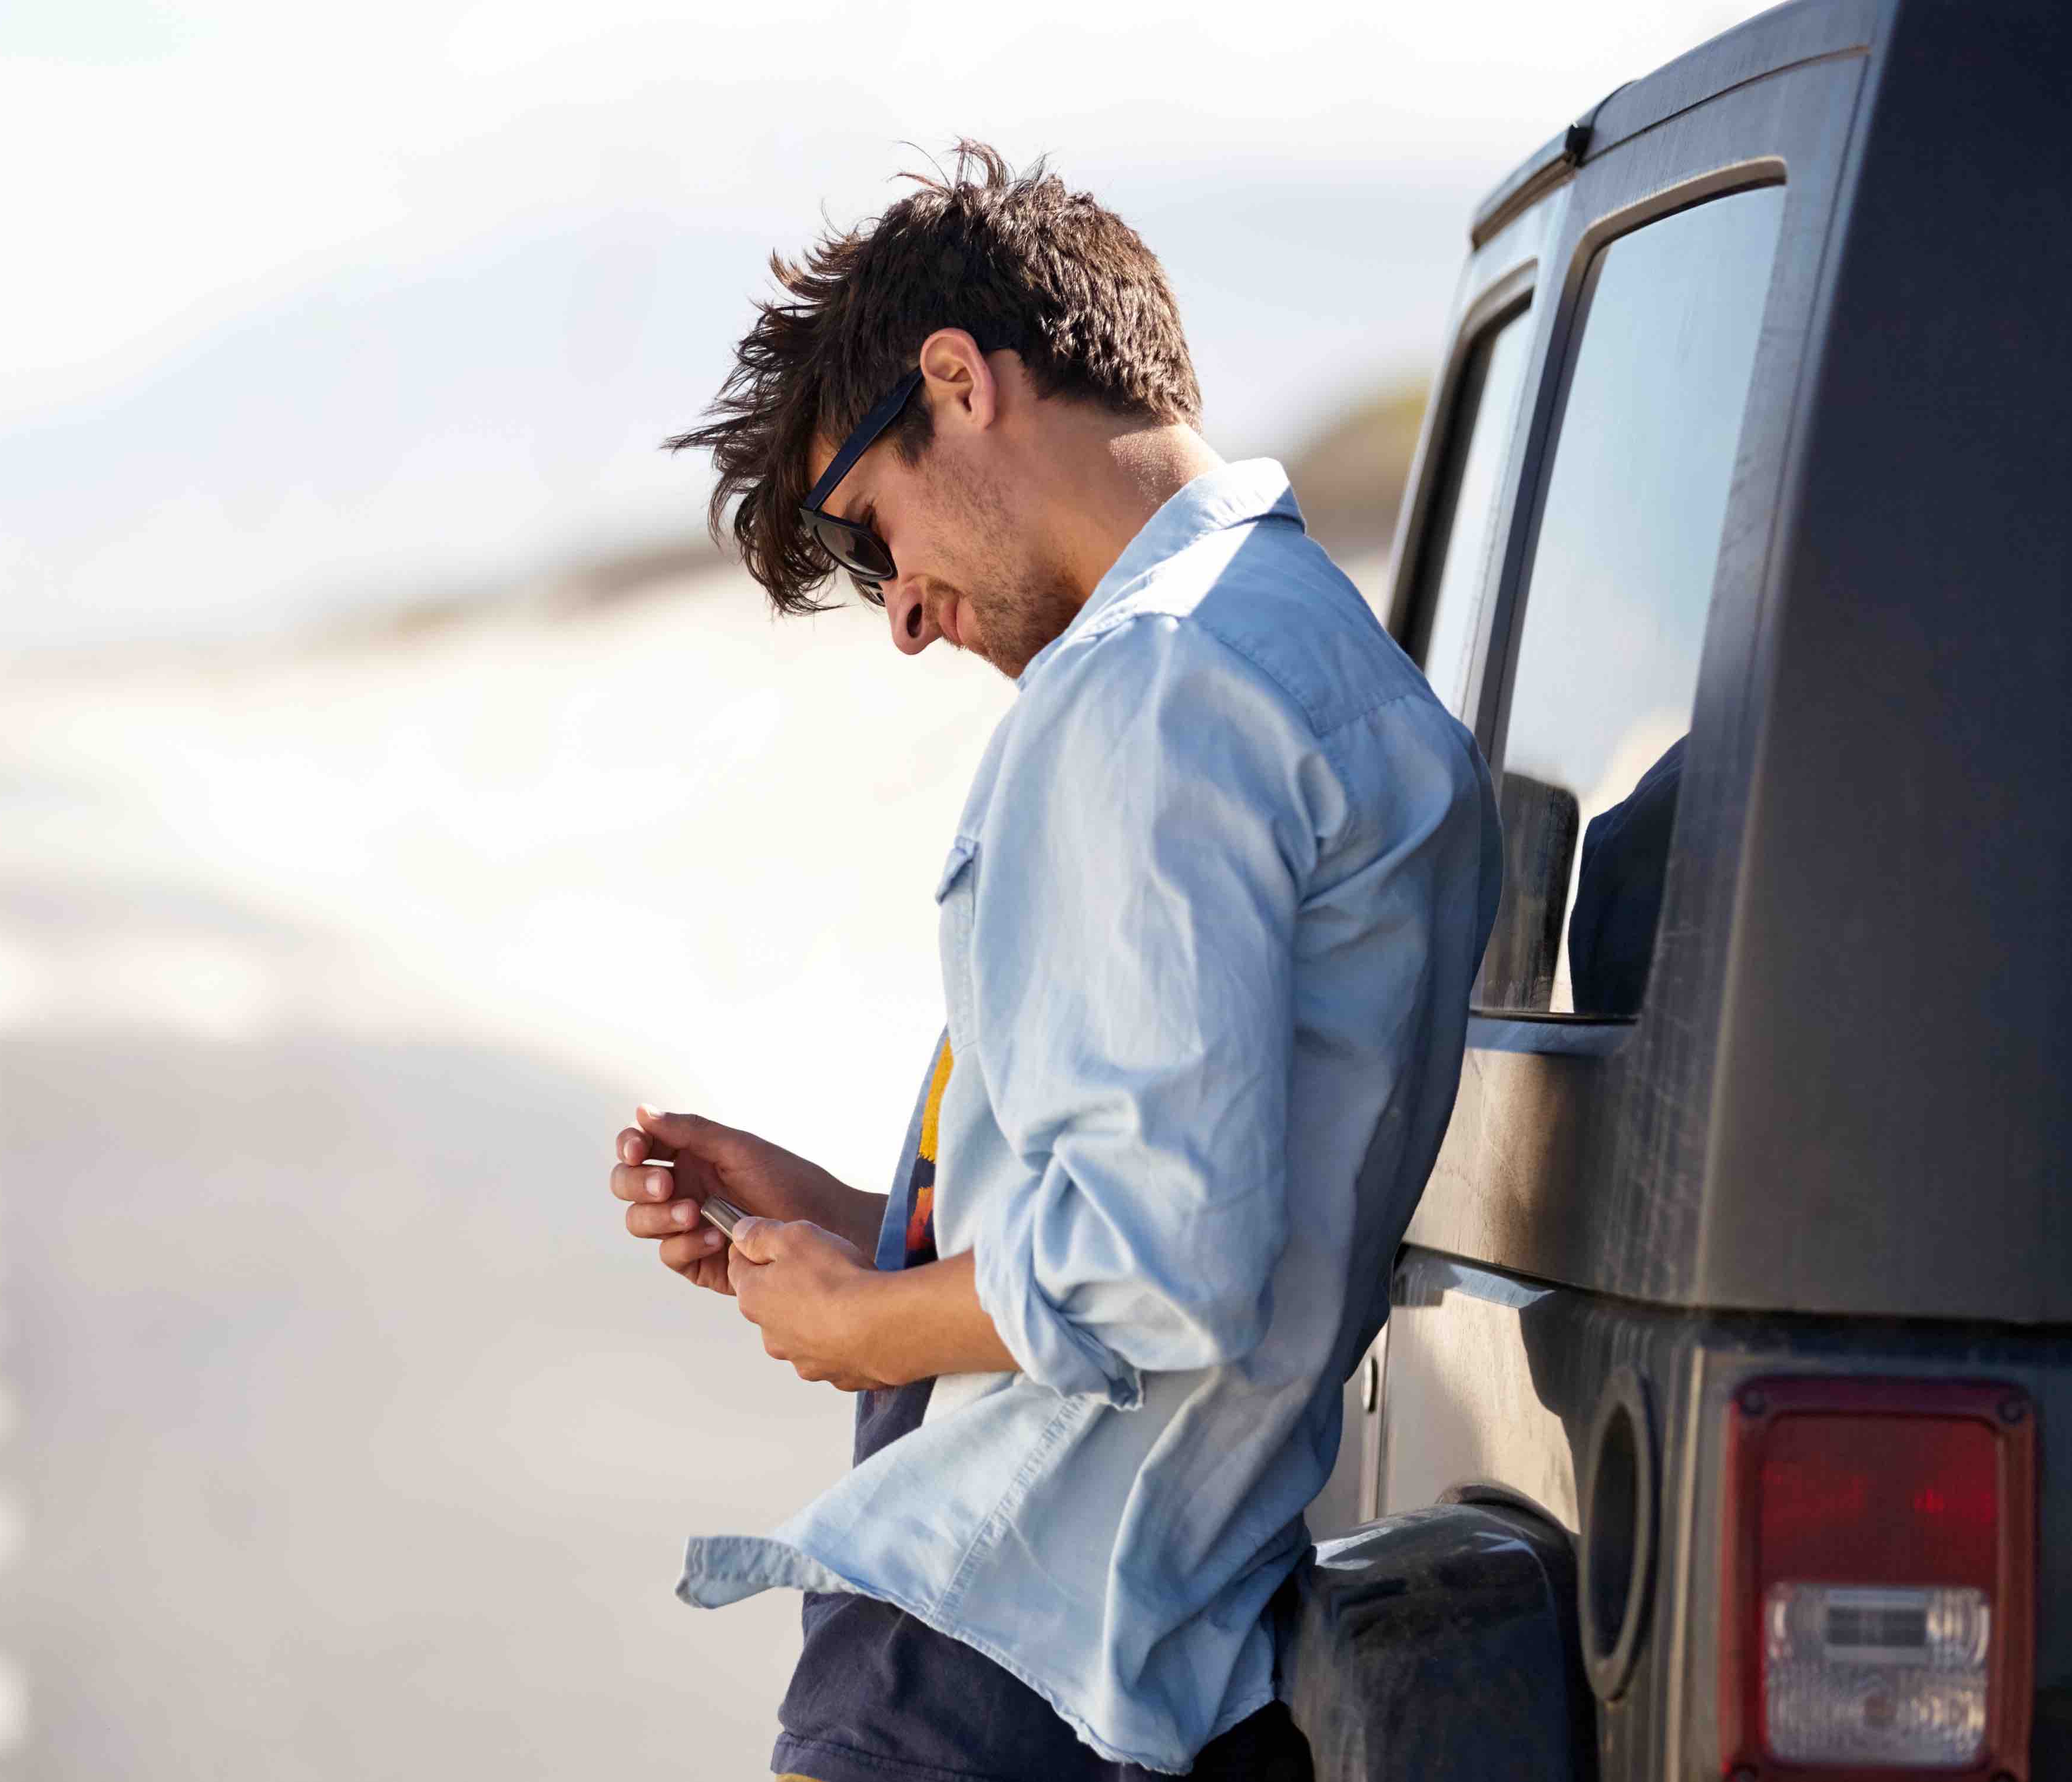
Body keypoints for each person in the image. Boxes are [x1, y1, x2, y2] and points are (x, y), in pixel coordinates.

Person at [604, 143, 1501, 1781]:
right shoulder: (1344, 676)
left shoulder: (1149, 682)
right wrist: (847, 1226)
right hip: (1171, 1651)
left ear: (956, 381)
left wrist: (867, 1324)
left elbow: (1159, 1263)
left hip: (998, 1655)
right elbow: (1208, 1206)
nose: (900, 614)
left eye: (870, 534)